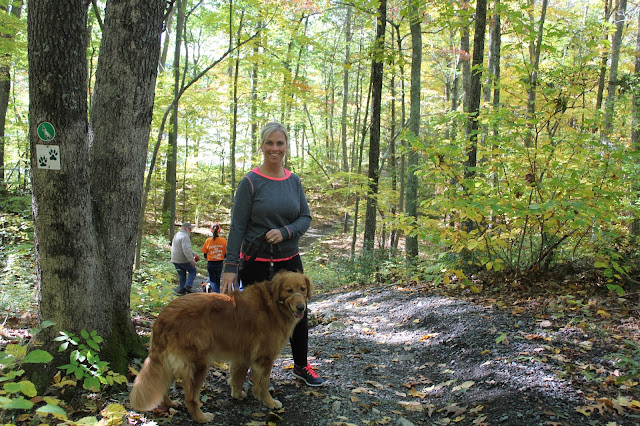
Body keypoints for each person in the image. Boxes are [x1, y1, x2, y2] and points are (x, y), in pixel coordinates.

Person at [221, 121, 325, 386]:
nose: (274, 148)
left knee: (299, 314)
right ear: (262, 146)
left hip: (289, 262)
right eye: (270, 143)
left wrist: (286, 231)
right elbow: (238, 227)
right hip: (256, 262)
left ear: (286, 147)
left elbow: (305, 217)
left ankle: (301, 366)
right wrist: (230, 266)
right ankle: (243, 374)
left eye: (280, 143)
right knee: (254, 320)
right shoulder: (250, 182)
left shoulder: (294, 182)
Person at [171, 222, 199, 295]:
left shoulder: (177, 234)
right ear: (186, 228)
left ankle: (181, 290)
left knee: (182, 274)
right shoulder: (185, 236)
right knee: (193, 271)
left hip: (175, 259)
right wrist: (191, 260)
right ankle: (188, 286)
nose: (190, 231)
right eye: (190, 229)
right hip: (183, 260)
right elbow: (186, 250)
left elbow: (180, 248)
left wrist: (193, 254)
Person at [201, 222, 227, 293]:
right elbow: (225, 253)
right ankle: (217, 293)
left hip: (211, 263)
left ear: (211, 230)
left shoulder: (208, 241)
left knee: (212, 280)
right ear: (219, 230)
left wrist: (207, 257)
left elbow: (205, 253)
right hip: (219, 263)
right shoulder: (223, 240)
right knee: (217, 279)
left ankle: (216, 294)